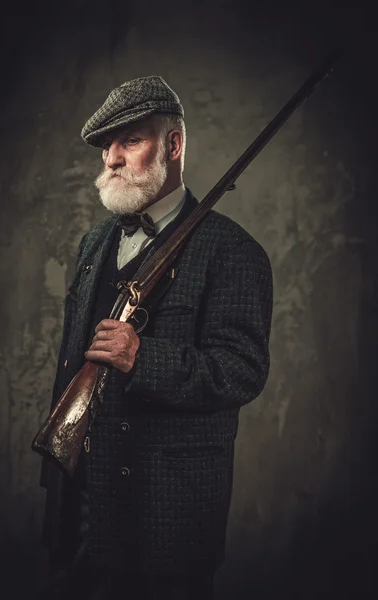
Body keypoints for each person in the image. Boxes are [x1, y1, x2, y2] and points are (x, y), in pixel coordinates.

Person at [39, 75, 273, 600]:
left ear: (173, 145)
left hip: (165, 516)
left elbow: (242, 370)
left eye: (131, 141)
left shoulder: (233, 251)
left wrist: (143, 357)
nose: (112, 159)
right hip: (78, 501)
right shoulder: (95, 241)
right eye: (106, 146)